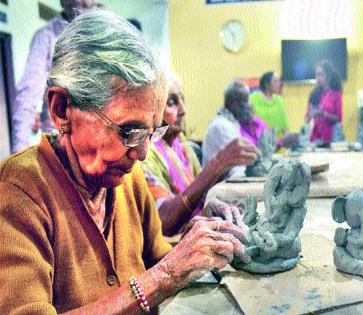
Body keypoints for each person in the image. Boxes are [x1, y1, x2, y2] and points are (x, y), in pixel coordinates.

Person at [0, 10, 250, 314]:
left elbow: (156, 258)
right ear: (62, 109)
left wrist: (199, 239)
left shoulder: (126, 179)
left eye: (151, 131)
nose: (142, 153)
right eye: (129, 131)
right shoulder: (18, 192)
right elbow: (159, 274)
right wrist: (164, 275)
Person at [142, 74, 259, 236]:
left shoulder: (180, 144)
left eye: (182, 100)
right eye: (171, 102)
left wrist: (222, 167)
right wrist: (218, 162)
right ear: (150, 110)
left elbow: (200, 190)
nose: (184, 110)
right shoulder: (145, 153)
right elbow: (162, 221)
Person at [10, 0, 99, 153]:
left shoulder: (100, 32)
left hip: (98, 136)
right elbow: (27, 96)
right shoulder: (46, 37)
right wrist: (19, 157)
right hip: (62, 142)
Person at [203, 80, 274, 176]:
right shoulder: (222, 126)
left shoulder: (232, 123)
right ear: (233, 104)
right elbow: (239, 168)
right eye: (245, 100)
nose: (249, 105)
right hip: (218, 187)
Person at [305, 60, 343, 146]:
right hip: (315, 139)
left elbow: (339, 119)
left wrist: (324, 114)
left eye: (320, 75)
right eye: (316, 75)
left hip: (331, 140)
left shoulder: (336, 95)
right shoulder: (314, 94)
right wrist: (311, 115)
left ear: (328, 76)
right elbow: (307, 119)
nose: (317, 78)